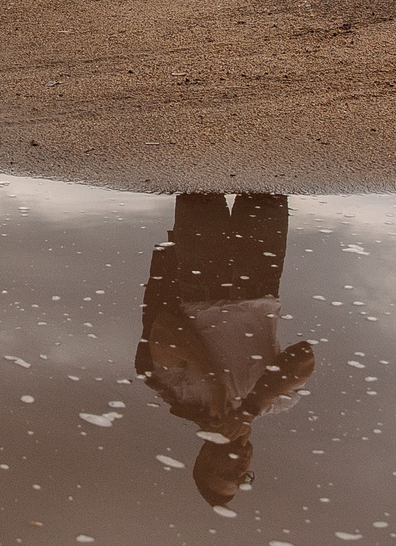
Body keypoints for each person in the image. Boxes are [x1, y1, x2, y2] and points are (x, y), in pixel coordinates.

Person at [132, 192, 318, 508]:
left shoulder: (180, 396)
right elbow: (304, 356)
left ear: (205, 456)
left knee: (200, 187)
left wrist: (214, 381)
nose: (242, 466)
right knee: (267, 185)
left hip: (200, 280)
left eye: (228, 471)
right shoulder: (274, 403)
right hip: (260, 279)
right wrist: (252, 406)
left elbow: (164, 329)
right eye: (243, 475)